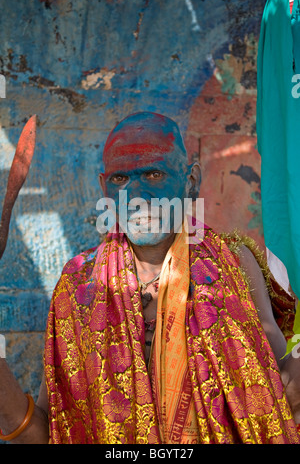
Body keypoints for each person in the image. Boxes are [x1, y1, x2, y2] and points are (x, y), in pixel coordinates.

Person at [0, 111, 300, 444]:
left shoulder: (234, 264)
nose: (136, 195)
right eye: (120, 179)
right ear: (104, 187)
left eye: (154, 173)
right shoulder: (79, 287)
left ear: (190, 180)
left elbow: (280, 381)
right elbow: (50, 433)